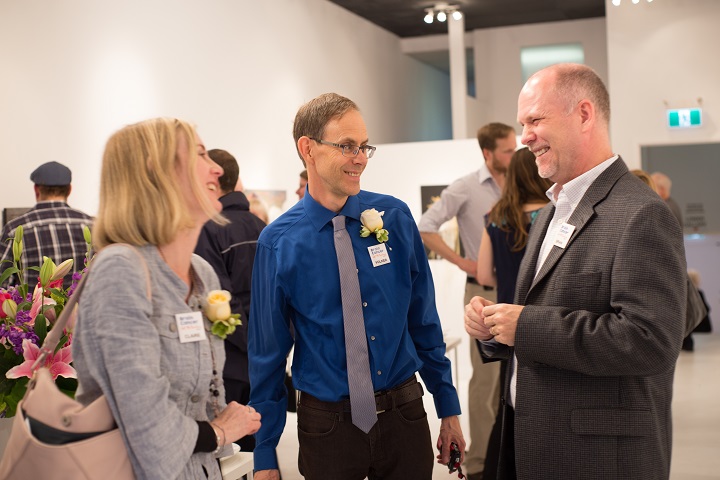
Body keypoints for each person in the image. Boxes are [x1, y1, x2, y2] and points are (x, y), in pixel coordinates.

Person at [464, 63, 687, 479]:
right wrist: (495, 327)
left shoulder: (642, 214)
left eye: (535, 120)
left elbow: (649, 340)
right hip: (531, 443)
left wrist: (525, 326)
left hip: (596, 457)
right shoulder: (551, 213)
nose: (524, 136)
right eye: (521, 123)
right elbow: (539, 315)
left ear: (584, 114)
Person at [249, 93, 464, 480]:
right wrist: (265, 452)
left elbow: (423, 322)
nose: (360, 157)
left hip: (404, 414)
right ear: (308, 149)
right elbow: (267, 355)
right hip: (326, 425)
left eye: (364, 146)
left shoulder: (394, 218)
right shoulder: (278, 242)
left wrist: (448, 409)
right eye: (347, 146)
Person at [72, 118, 261, 479]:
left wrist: (221, 429)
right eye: (200, 154)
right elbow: (153, 441)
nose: (217, 169)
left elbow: (207, 407)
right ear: (154, 172)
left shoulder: (201, 272)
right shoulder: (120, 271)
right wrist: (222, 431)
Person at [418, 122, 516, 480]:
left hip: (519, 294)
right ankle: (480, 467)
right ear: (488, 153)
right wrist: (461, 260)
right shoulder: (466, 187)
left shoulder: (522, 180)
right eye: (507, 149)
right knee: (487, 382)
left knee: (515, 381)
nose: (514, 153)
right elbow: (426, 226)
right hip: (483, 293)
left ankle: (506, 458)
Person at [475, 147, 551, 480]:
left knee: (507, 403)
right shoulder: (553, 214)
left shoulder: (496, 217)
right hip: (544, 322)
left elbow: (483, 276)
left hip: (503, 323)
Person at [194, 148, 267, 452]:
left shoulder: (209, 228)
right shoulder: (264, 227)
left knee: (233, 451)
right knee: (262, 442)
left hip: (231, 358)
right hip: (266, 354)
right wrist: (269, 345)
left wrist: (249, 346)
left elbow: (218, 298)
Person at [0, 161, 93, 287]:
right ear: (69, 190)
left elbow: (3, 285)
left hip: (34, 306)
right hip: (82, 307)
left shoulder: (14, 230)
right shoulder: (93, 225)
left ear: (36, 190)